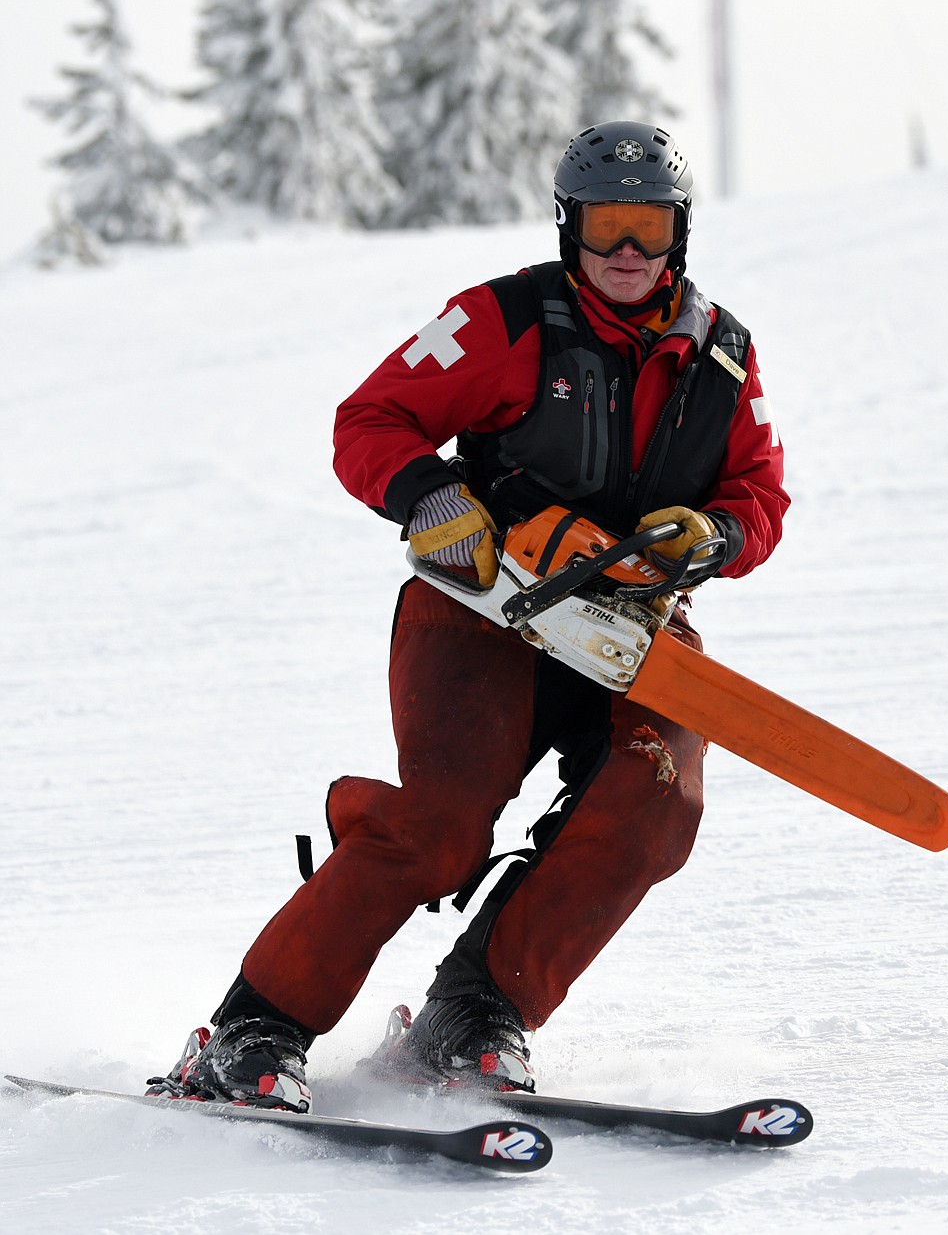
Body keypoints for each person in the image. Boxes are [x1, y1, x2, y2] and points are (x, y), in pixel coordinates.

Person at [148, 121, 789, 1112]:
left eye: (648, 227)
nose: (626, 251)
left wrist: (707, 535)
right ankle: (251, 1031)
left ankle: (473, 1015)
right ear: (570, 225)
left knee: (652, 807)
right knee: (439, 826)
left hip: (631, 635)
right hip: (485, 609)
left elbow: (759, 497)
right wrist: (429, 498)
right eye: (606, 225)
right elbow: (370, 419)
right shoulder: (502, 320)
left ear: (680, 235)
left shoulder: (722, 358)